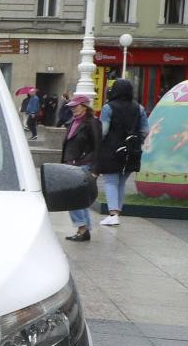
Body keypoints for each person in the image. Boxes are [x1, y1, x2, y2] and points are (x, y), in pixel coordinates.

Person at [97, 78, 146, 228]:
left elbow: (103, 131)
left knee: (111, 182)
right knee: (122, 182)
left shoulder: (108, 108)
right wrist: (137, 141)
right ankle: (117, 213)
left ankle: (113, 214)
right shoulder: (139, 108)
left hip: (111, 150)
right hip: (132, 150)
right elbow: (145, 130)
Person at [61, 93, 101, 243]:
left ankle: (82, 228)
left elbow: (98, 146)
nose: (73, 109)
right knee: (79, 199)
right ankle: (84, 229)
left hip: (84, 165)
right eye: (71, 107)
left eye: (75, 106)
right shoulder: (73, 122)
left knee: (72, 198)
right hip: (71, 165)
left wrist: (95, 170)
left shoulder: (92, 123)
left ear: (84, 107)